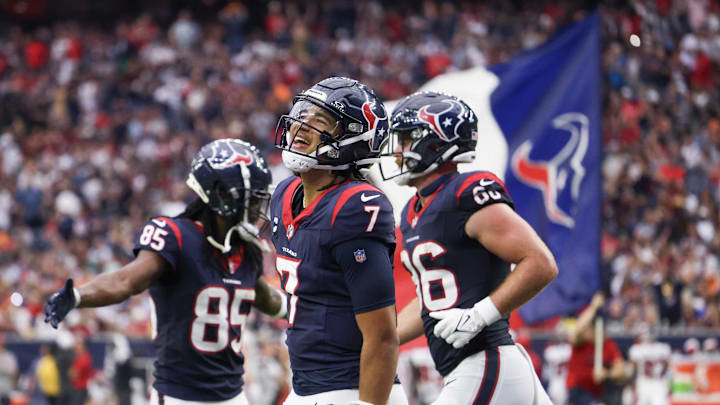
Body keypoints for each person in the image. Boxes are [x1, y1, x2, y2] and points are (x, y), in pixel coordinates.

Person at [45, 139, 287, 405]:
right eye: (251, 197)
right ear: (222, 196)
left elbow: (270, 301)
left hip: (233, 395)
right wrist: (78, 296)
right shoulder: (177, 237)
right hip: (179, 396)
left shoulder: (245, 249)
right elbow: (125, 281)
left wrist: (310, 303)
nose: (256, 206)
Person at [383, 91, 557, 405]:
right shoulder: (413, 212)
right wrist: (381, 337)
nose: (397, 150)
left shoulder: (466, 194)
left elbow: (540, 262)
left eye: (407, 139)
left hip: (486, 361)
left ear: (435, 144)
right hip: (476, 367)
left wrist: (480, 315)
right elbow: (430, 301)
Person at [271, 76, 407, 405]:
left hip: (352, 388)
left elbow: (383, 335)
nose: (300, 127)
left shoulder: (354, 205)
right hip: (305, 386)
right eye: (300, 115)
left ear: (352, 139)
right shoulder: (284, 195)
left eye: (318, 122)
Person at [566, 293, 626, 405]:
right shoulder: (580, 343)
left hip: (597, 392)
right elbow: (577, 330)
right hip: (577, 390)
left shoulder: (608, 345)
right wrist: (593, 307)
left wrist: (606, 374)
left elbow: (621, 370)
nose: (586, 331)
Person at [628, 326, 671, 405]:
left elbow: (632, 371)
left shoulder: (636, 349)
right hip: (659, 384)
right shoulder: (664, 348)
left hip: (643, 384)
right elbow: (667, 368)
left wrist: (631, 384)